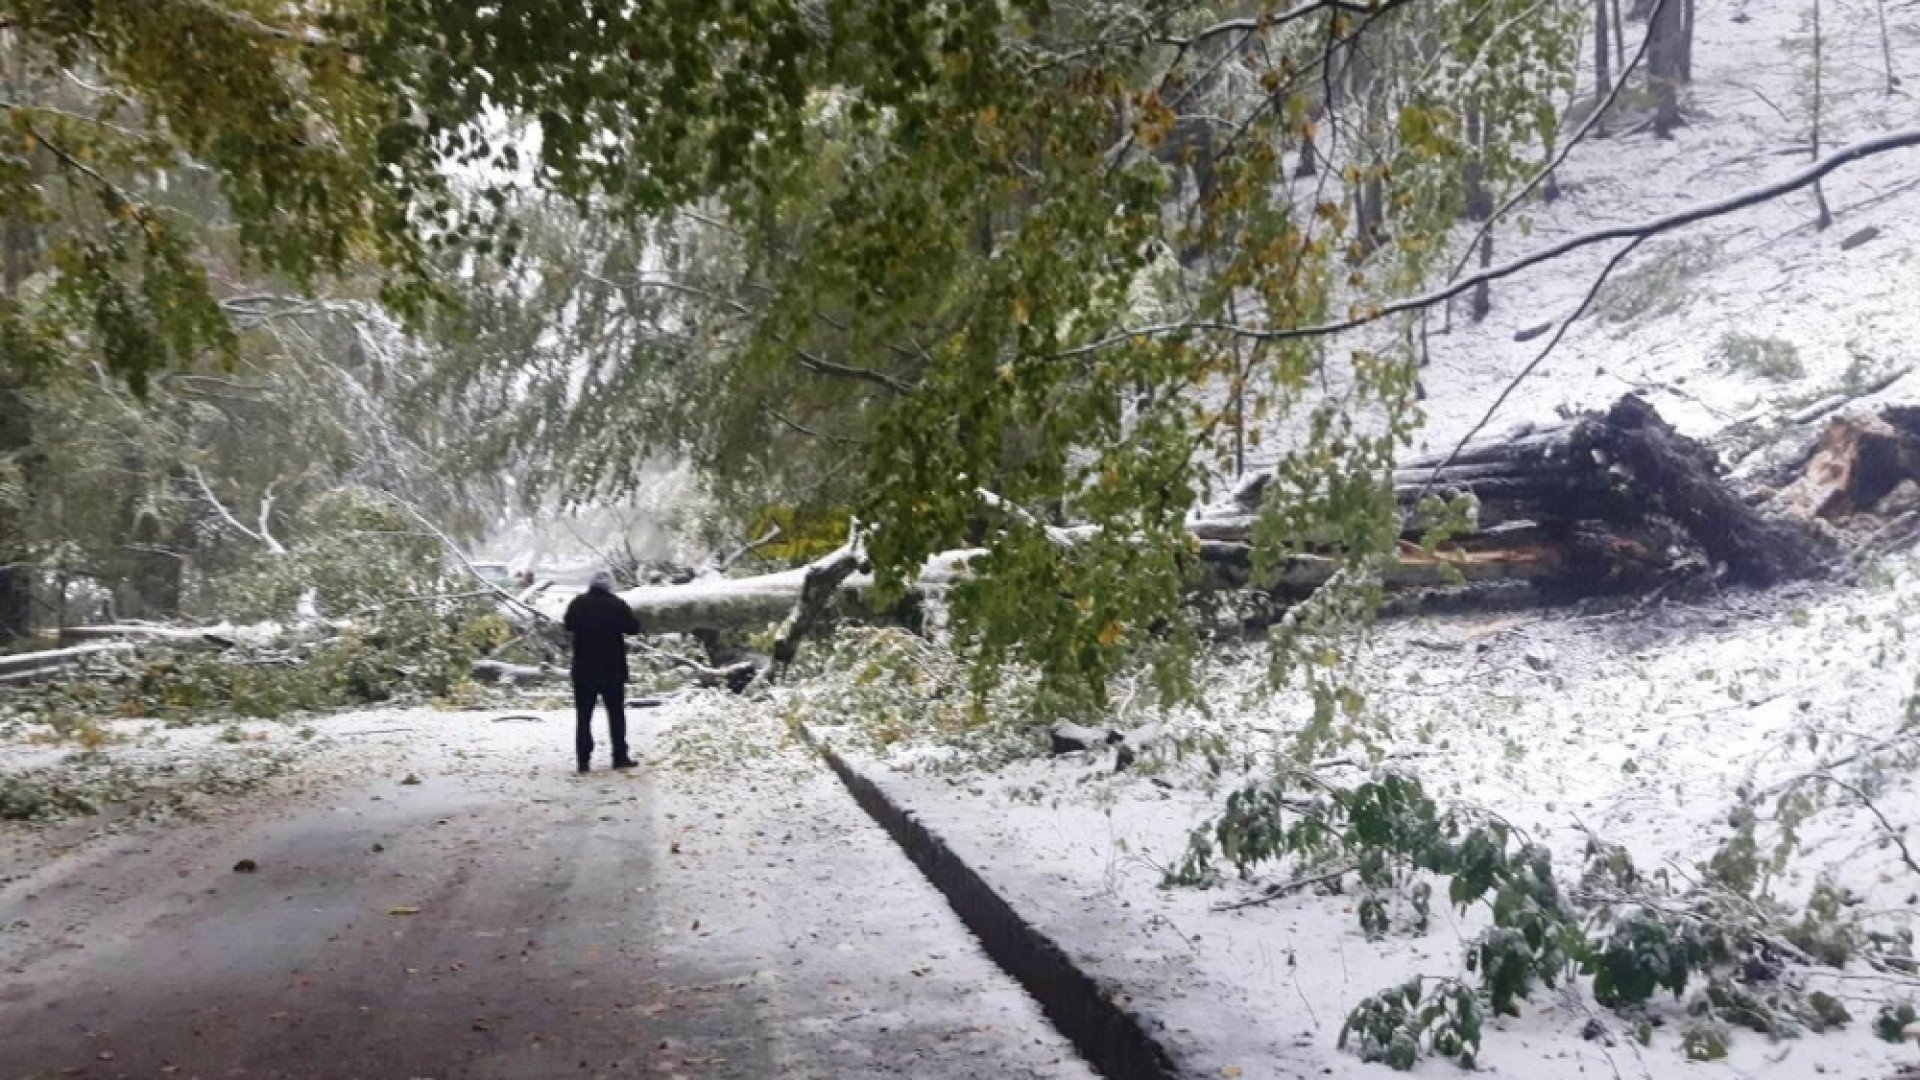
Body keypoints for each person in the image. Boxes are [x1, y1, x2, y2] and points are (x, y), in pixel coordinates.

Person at [562, 570, 641, 773]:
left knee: (584, 716)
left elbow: (568, 625)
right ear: (609, 586)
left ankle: (583, 760)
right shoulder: (617, 604)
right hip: (611, 670)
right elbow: (633, 627)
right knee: (616, 714)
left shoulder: (578, 603)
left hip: (584, 670)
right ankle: (619, 756)